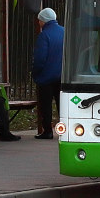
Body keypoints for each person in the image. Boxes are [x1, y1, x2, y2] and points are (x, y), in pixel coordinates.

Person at [30, 8, 64, 139]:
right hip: (62, 76)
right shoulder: (64, 31)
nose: (38, 22)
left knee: (46, 105)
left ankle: (48, 131)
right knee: (62, 104)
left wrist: (35, 73)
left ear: (43, 21)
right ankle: (65, 130)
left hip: (46, 77)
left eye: (39, 20)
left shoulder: (44, 35)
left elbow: (40, 58)